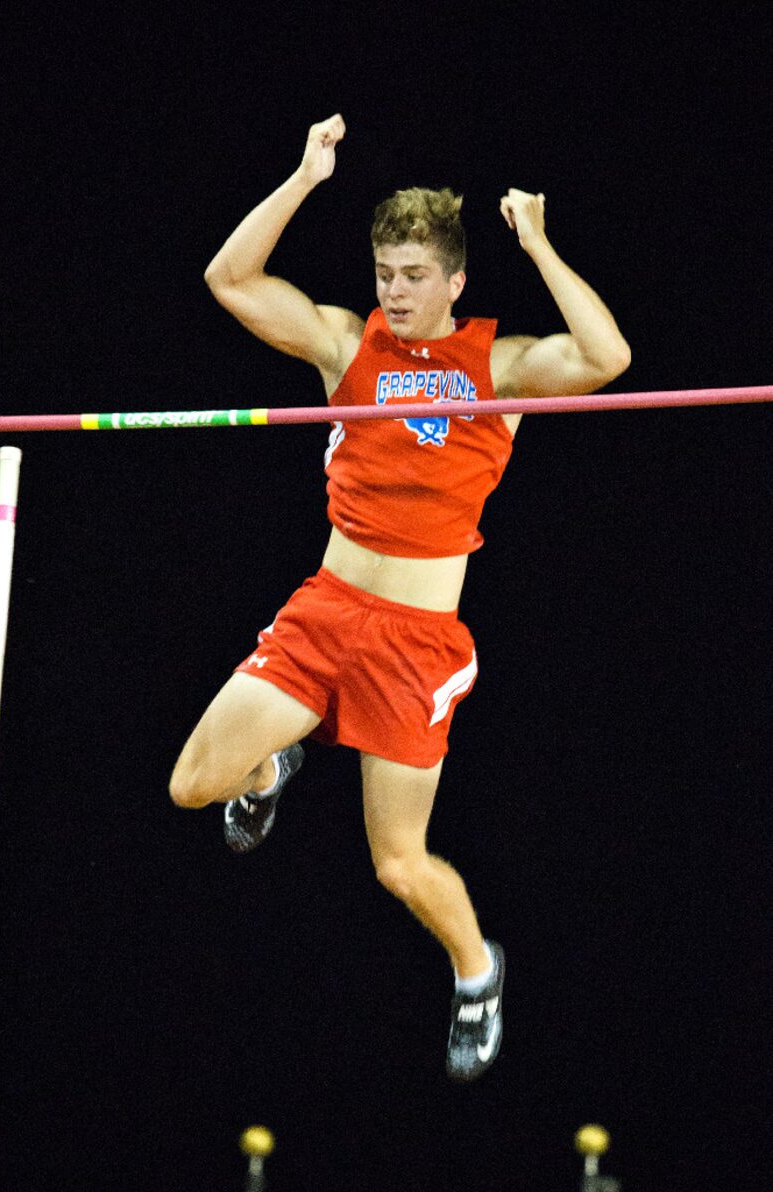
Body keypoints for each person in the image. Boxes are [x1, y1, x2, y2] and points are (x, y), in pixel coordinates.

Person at [169, 114, 630, 1081]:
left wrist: (541, 244)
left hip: (416, 640)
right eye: (386, 272)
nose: (396, 290)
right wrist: (301, 179)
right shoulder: (347, 346)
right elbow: (229, 280)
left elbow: (605, 358)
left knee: (397, 864)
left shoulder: (496, 371)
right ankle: (268, 774)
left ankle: (475, 969)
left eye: (415, 275)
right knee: (195, 785)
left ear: (455, 281)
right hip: (325, 611)